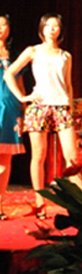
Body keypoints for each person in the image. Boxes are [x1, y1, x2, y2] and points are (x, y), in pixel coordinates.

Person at [3, 13, 82, 219]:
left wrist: (70, 105)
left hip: (62, 107)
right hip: (39, 106)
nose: (52, 29)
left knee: (72, 157)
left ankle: (81, 203)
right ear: (42, 28)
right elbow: (9, 73)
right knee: (39, 155)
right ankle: (40, 203)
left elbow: (68, 83)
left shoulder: (66, 56)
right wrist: (23, 97)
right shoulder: (33, 51)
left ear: (60, 30)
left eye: (56, 26)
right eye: (48, 25)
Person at [0, 15, 25, 220]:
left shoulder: (16, 55)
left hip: (11, 108)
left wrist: (23, 110)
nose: (0, 28)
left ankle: (0, 204)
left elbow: (20, 84)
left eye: (3, 24)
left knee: (5, 158)